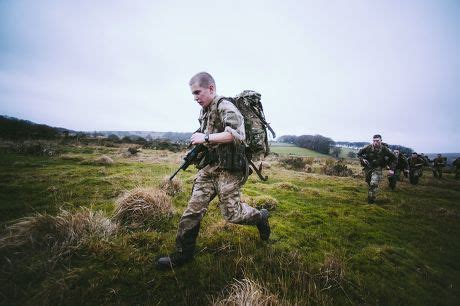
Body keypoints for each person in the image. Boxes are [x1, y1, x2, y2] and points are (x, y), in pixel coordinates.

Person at [157, 72, 270, 269]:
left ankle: (261, 216)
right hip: (210, 169)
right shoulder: (205, 111)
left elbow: (238, 135)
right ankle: (183, 255)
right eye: (193, 94)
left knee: (232, 214)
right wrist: (198, 141)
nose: (195, 98)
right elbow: (208, 137)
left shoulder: (225, 106)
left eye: (198, 92)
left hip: (231, 169)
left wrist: (206, 138)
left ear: (211, 88)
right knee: (192, 211)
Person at [358, 134, 397, 203]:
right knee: (368, 181)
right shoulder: (368, 147)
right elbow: (359, 154)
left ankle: (371, 200)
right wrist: (362, 159)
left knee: (374, 183)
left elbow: (394, 158)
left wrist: (392, 169)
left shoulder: (385, 149)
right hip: (368, 167)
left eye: (377, 141)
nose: (375, 142)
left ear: (381, 141)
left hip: (378, 168)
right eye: (374, 141)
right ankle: (372, 191)